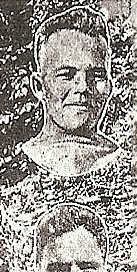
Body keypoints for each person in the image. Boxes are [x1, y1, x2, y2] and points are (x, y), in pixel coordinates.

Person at [21, 5, 120, 177]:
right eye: (67, 74)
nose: (82, 87)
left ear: (109, 87)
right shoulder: (14, 169)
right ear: (39, 86)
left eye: (96, 76)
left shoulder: (127, 166)